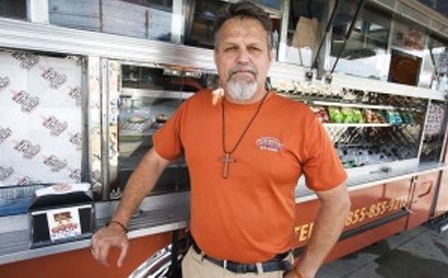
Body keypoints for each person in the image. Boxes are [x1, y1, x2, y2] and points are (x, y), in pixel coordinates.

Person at [91, 1, 351, 277]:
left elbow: (338, 201)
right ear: (216, 58)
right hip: (198, 266)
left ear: (269, 58)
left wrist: (304, 272)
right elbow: (154, 161)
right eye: (230, 48)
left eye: (254, 48)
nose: (242, 58)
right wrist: (118, 223)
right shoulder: (194, 108)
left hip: (267, 272)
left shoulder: (301, 121)